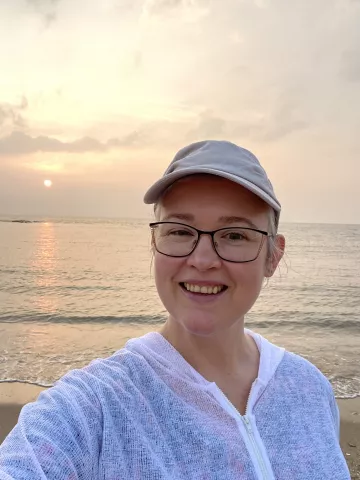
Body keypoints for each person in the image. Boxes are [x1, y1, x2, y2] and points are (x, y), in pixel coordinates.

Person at [0, 140, 350, 479]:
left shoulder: (310, 389)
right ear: (155, 242)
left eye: (235, 235)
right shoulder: (94, 406)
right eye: (181, 231)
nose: (202, 260)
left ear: (273, 256)